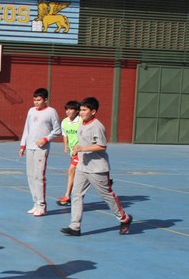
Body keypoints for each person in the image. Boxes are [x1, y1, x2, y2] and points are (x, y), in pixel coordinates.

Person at [61, 97, 132, 237]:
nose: (81, 113)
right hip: (82, 166)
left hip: (97, 168)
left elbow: (101, 146)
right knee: (76, 194)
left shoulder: (97, 126)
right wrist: (76, 151)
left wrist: (82, 148)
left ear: (93, 112)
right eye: (80, 110)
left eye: (84, 110)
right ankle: (75, 226)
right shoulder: (81, 123)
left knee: (106, 196)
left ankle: (124, 218)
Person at [19, 88, 61, 216]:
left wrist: (45, 139)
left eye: (39, 100)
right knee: (31, 176)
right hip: (30, 147)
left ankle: (42, 205)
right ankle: (35, 203)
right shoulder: (31, 111)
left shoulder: (51, 112)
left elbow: (58, 130)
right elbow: (27, 128)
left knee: (39, 177)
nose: (36, 102)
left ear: (45, 100)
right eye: (34, 100)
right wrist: (23, 145)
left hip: (41, 149)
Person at [56, 100, 82, 206]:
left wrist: (79, 148)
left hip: (81, 152)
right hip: (73, 152)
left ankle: (67, 196)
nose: (68, 111)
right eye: (66, 109)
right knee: (84, 174)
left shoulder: (81, 121)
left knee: (71, 170)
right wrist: (66, 146)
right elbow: (65, 135)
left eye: (71, 109)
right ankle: (104, 181)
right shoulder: (64, 122)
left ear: (76, 111)